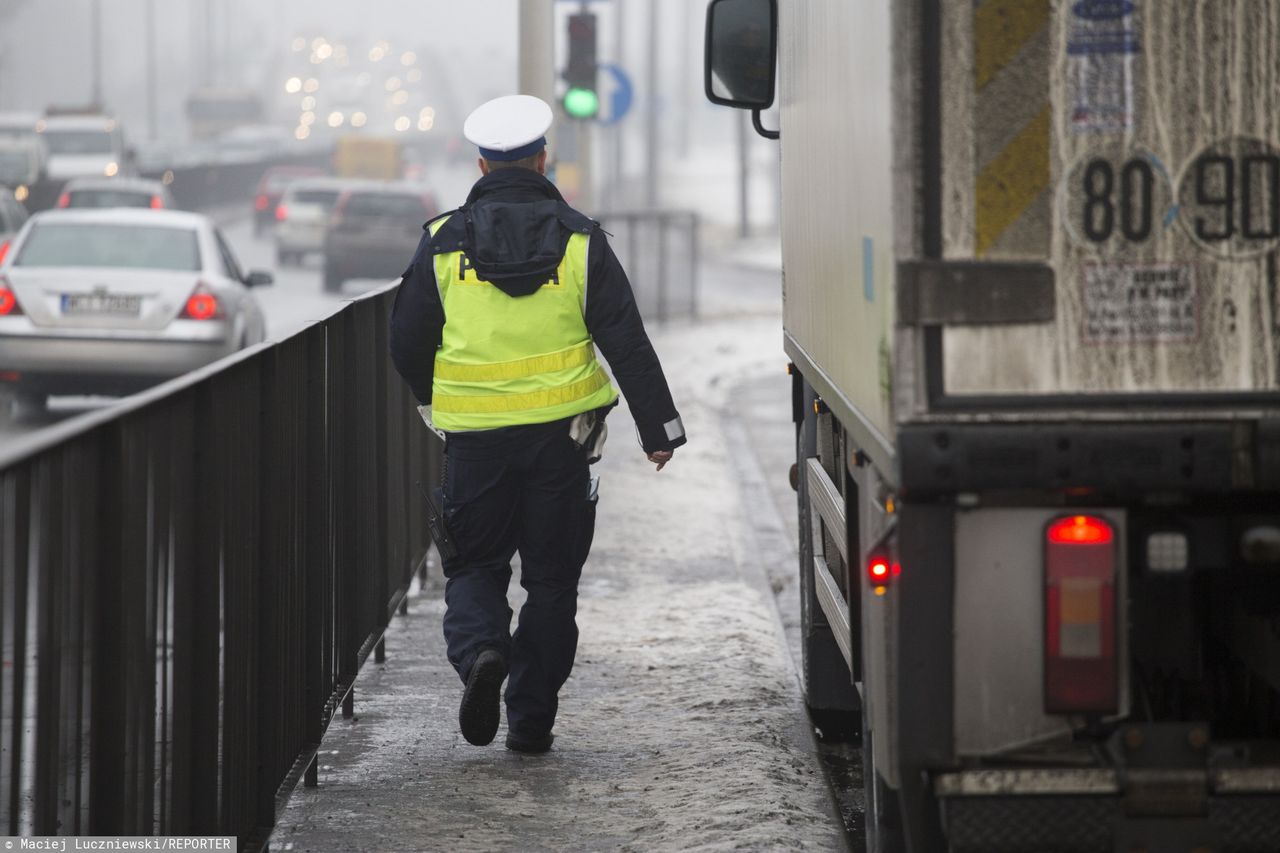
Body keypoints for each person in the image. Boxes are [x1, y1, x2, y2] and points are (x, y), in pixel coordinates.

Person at [389, 95, 687, 754]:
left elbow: (407, 339)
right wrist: (658, 427)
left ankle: (482, 652)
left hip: (475, 441)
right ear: (542, 158)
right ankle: (529, 718)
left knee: (473, 567)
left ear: (481, 164)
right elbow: (625, 339)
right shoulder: (580, 240)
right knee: (552, 581)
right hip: (563, 442)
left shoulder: (442, 243)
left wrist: (432, 403)